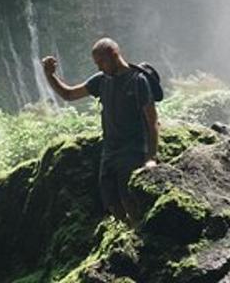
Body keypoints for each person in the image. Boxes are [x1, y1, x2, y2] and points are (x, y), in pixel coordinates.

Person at [41, 38, 159, 222]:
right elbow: (69, 94)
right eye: (97, 64)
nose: (99, 68)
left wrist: (151, 157)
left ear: (114, 54)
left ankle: (142, 236)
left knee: (128, 197)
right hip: (110, 150)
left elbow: (152, 122)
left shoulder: (138, 81)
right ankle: (130, 230)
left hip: (133, 149)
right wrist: (50, 75)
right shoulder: (101, 81)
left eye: (101, 62)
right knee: (110, 201)